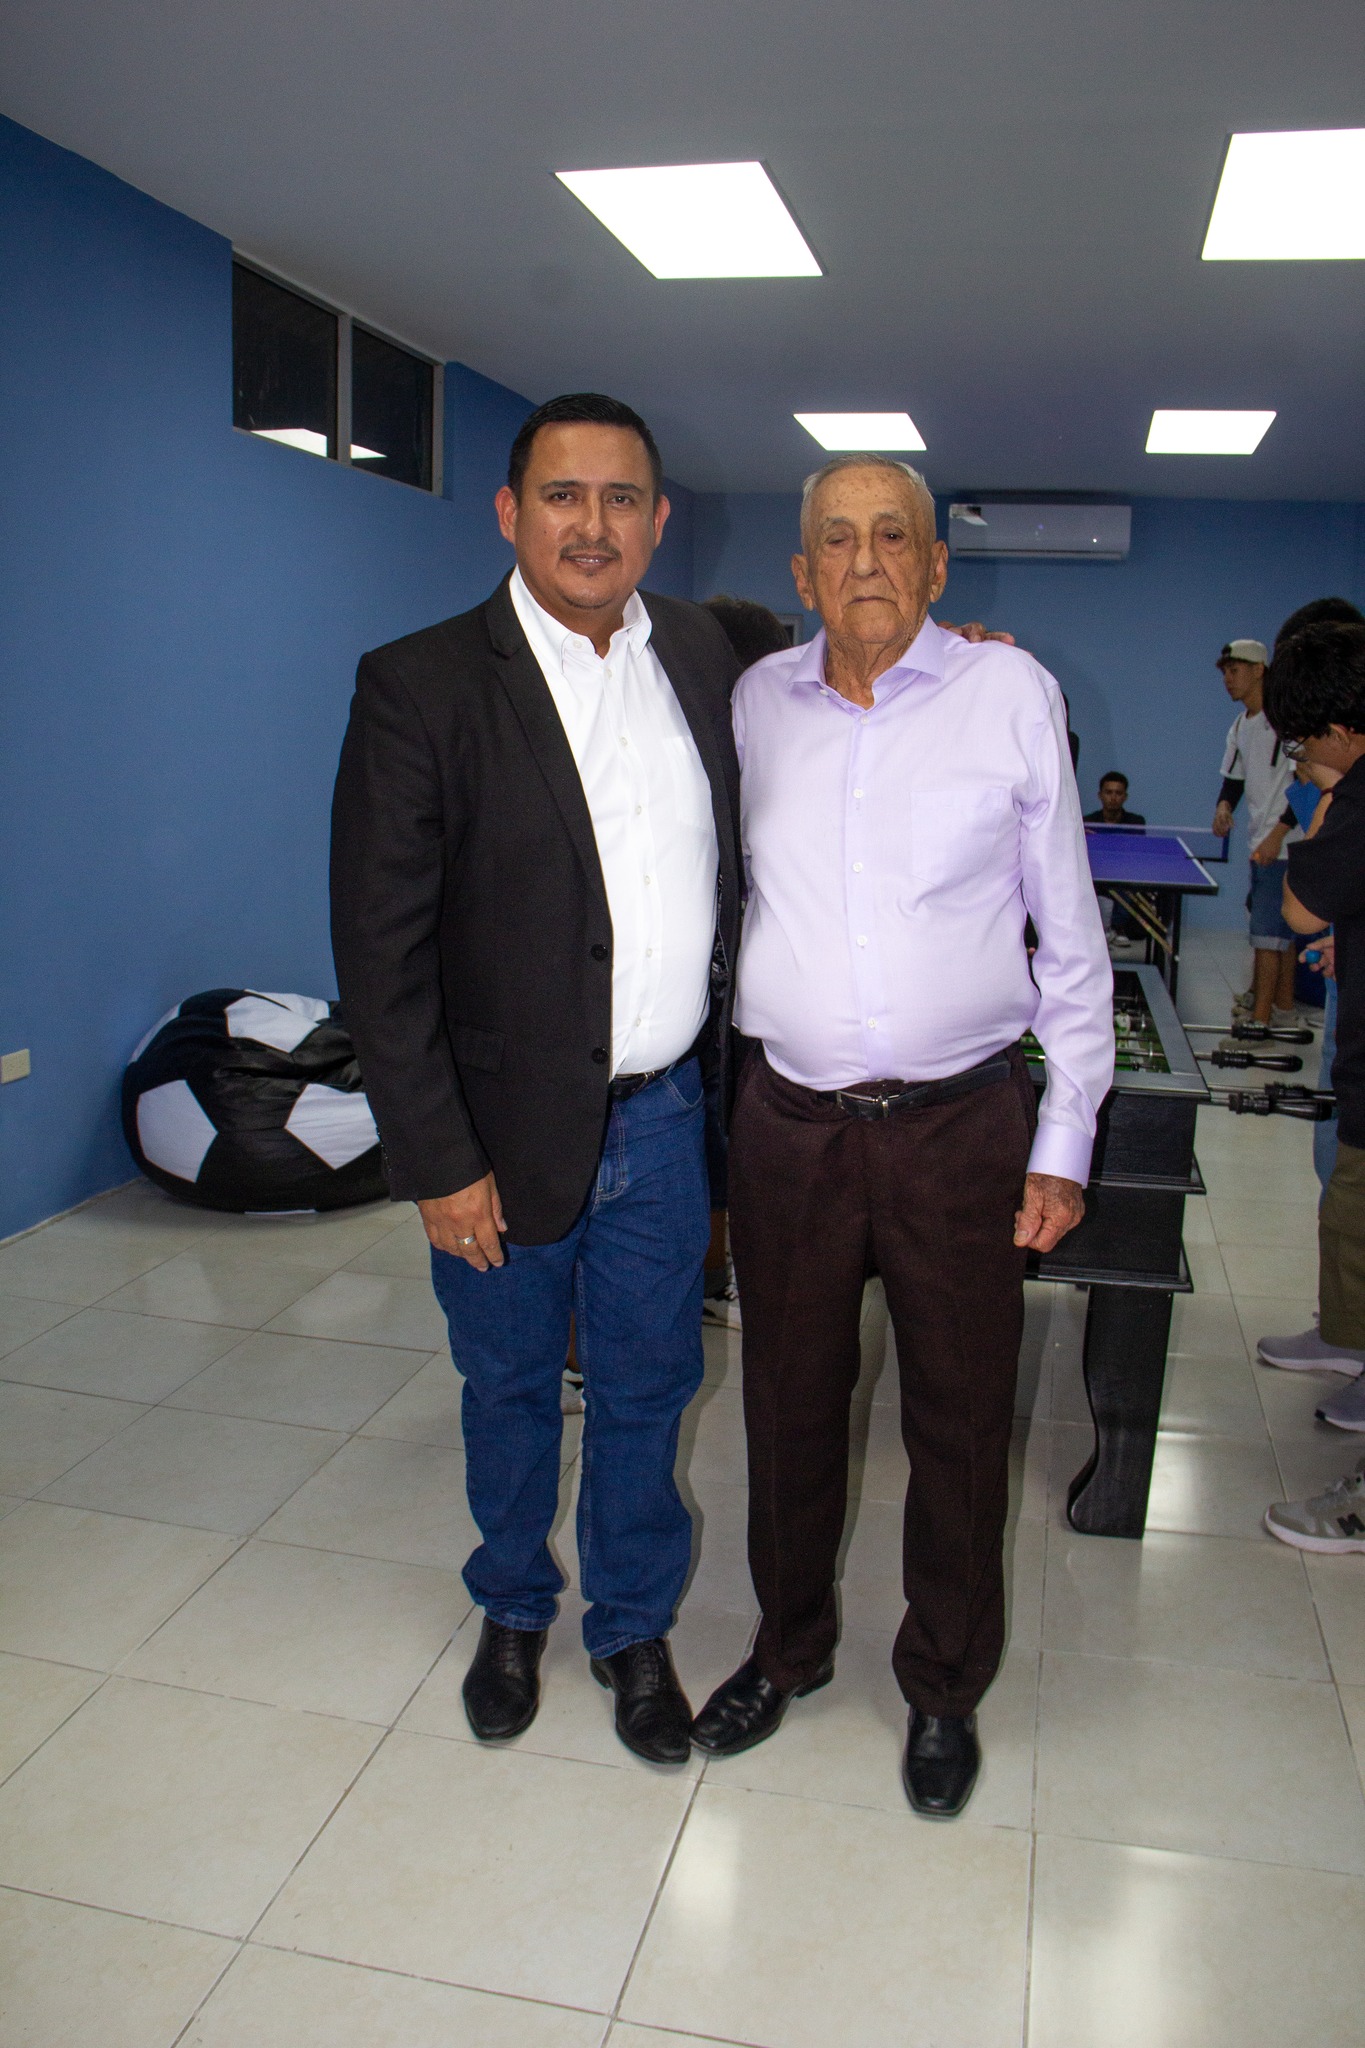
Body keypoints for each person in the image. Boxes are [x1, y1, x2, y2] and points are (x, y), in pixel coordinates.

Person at [689, 454, 1114, 1816]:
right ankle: (788, 1647)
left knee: (961, 1418)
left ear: (937, 566)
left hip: (961, 1128)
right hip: (791, 1126)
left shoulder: (1010, 693)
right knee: (785, 1409)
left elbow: (1070, 933)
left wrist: (1064, 1141)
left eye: (892, 536)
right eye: (836, 539)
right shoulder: (754, 704)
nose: (864, 560)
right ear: (801, 573)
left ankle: (943, 1682)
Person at [330, 392, 742, 1764]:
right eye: (564, 495)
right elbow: (380, 953)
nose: (593, 525)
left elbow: (837, 681)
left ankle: (631, 1626)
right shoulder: (421, 684)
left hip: (665, 1116)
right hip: (496, 1134)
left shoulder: (705, 654)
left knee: (647, 1387)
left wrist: (955, 654)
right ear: (510, 512)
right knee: (507, 1386)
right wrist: (437, 1161)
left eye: (622, 498)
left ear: (658, 521)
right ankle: (512, 1605)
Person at [1258, 622, 1365, 1541]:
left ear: (1339, 726)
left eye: (1302, 739)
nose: (1300, 755)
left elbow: (1298, 909)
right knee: (1348, 1205)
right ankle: (1346, 1340)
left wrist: (1321, 802)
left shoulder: (1356, 794)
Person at [697, 596, 795, 1330]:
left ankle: (713, 1275)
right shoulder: (708, 749)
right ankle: (711, 1276)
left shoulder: (764, 746)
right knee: (715, 1143)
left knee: (722, 1144)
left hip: (739, 991)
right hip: (703, 996)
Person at [1210, 636, 1303, 1034]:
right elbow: (1234, 779)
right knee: (1281, 934)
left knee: (1266, 938)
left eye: (1235, 671)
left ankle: (1260, 1025)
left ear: (1259, 670)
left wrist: (1278, 834)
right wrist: (1224, 806)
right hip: (1261, 841)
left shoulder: (1286, 721)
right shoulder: (1240, 725)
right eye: (1225, 673)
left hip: (1286, 843)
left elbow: (1305, 783)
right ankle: (1283, 1009)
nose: (1228, 680)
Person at [1085, 771, 1147, 945]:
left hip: (1123, 875)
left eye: (1118, 793)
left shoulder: (1135, 822)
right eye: (1108, 792)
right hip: (1095, 874)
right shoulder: (1087, 821)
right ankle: (1102, 928)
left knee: (1124, 883)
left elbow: (1136, 853)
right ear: (1100, 795)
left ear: (1125, 797)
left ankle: (1116, 927)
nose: (1113, 797)